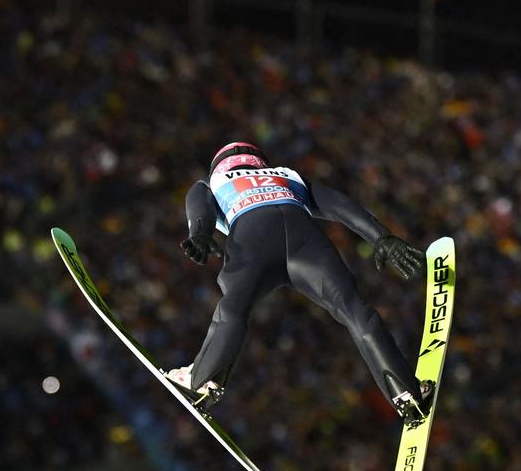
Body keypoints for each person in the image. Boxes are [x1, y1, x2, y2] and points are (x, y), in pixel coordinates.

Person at [168, 141, 435, 422]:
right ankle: (407, 394)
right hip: (306, 244)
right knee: (356, 311)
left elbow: (200, 209)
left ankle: (201, 381)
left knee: (233, 309)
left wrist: (200, 235)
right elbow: (341, 205)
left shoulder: (211, 183)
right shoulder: (287, 175)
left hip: (253, 241)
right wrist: (382, 237)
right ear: (260, 161)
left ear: (218, 165)